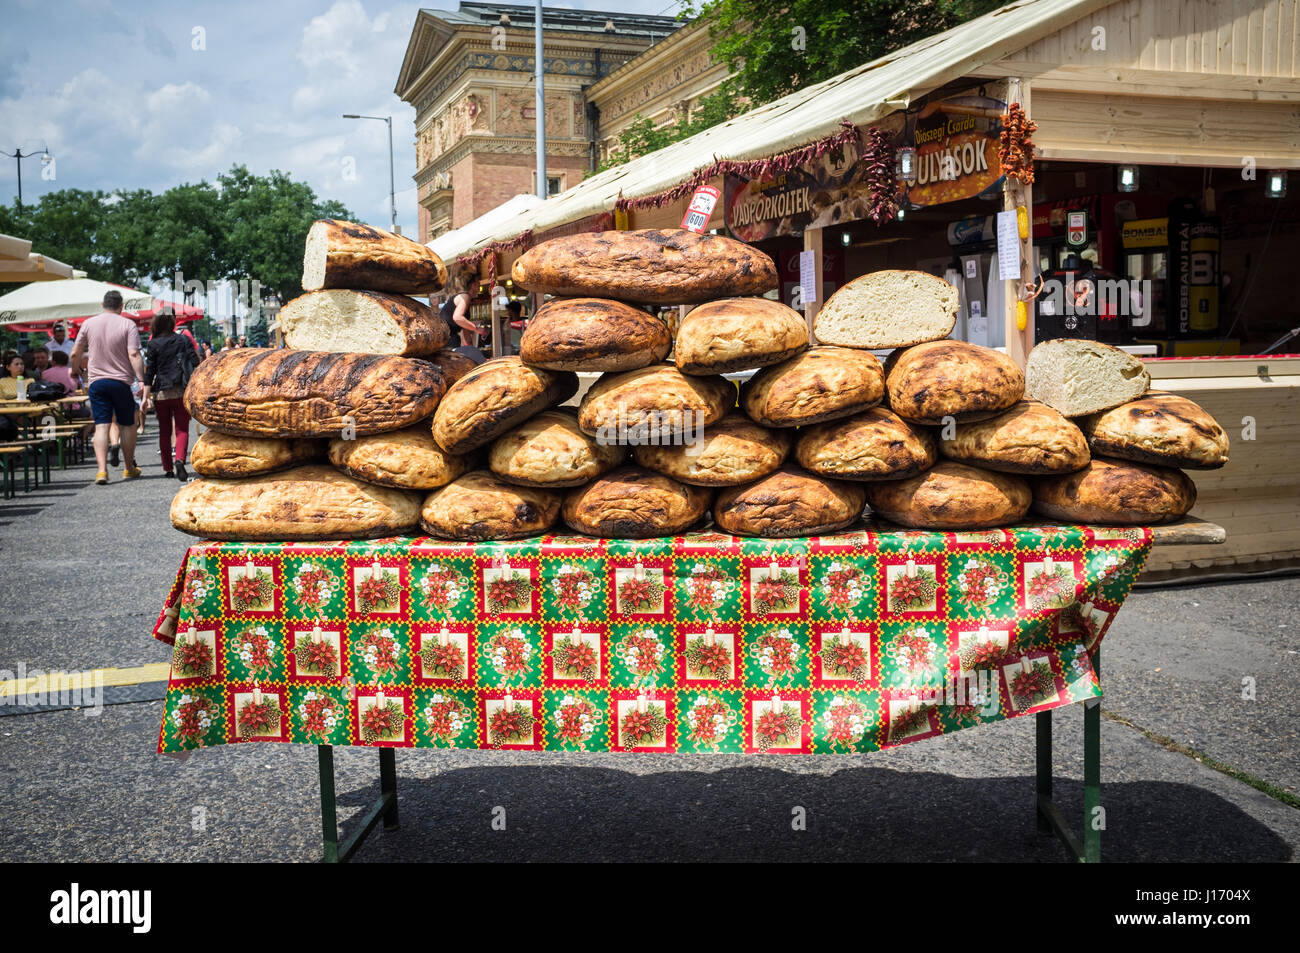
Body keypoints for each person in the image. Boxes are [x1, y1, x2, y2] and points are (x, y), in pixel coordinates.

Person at [70, 290, 147, 484]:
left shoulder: (88, 323)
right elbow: (135, 355)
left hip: (96, 383)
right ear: (121, 306)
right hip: (120, 382)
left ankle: (102, 471)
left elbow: (75, 353)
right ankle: (129, 468)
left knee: (101, 425)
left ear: (102, 305)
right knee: (128, 424)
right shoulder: (127, 324)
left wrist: (75, 370)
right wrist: (141, 379)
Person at [140, 310, 198, 480]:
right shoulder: (182, 340)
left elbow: (149, 372)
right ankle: (179, 459)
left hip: (161, 394)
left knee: (164, 431)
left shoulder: (153, 344)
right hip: (180, 390)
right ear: (172, 322)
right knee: (182, 429)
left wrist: (145, 397)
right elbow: (194, 363)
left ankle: (167, 468)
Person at [439, 275, 486, 347]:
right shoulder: (465, 297)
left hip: (447, 337)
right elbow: (458, 318)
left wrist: (472, 350)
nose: (479, 286)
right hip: (445, 337)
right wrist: (476, 329)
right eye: (478, 283)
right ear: (473, 285)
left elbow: (466, 332)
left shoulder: (467, 300)